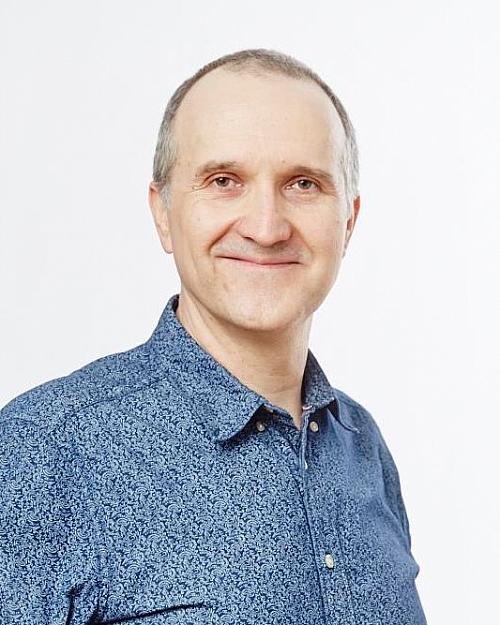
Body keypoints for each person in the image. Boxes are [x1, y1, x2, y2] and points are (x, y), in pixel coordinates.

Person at [0, 48, 427, 624]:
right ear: (162, 213)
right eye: (224, 181)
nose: (266, 227)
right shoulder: (44, 449)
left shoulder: (362, 446)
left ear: (348, 222)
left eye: (303, 184)